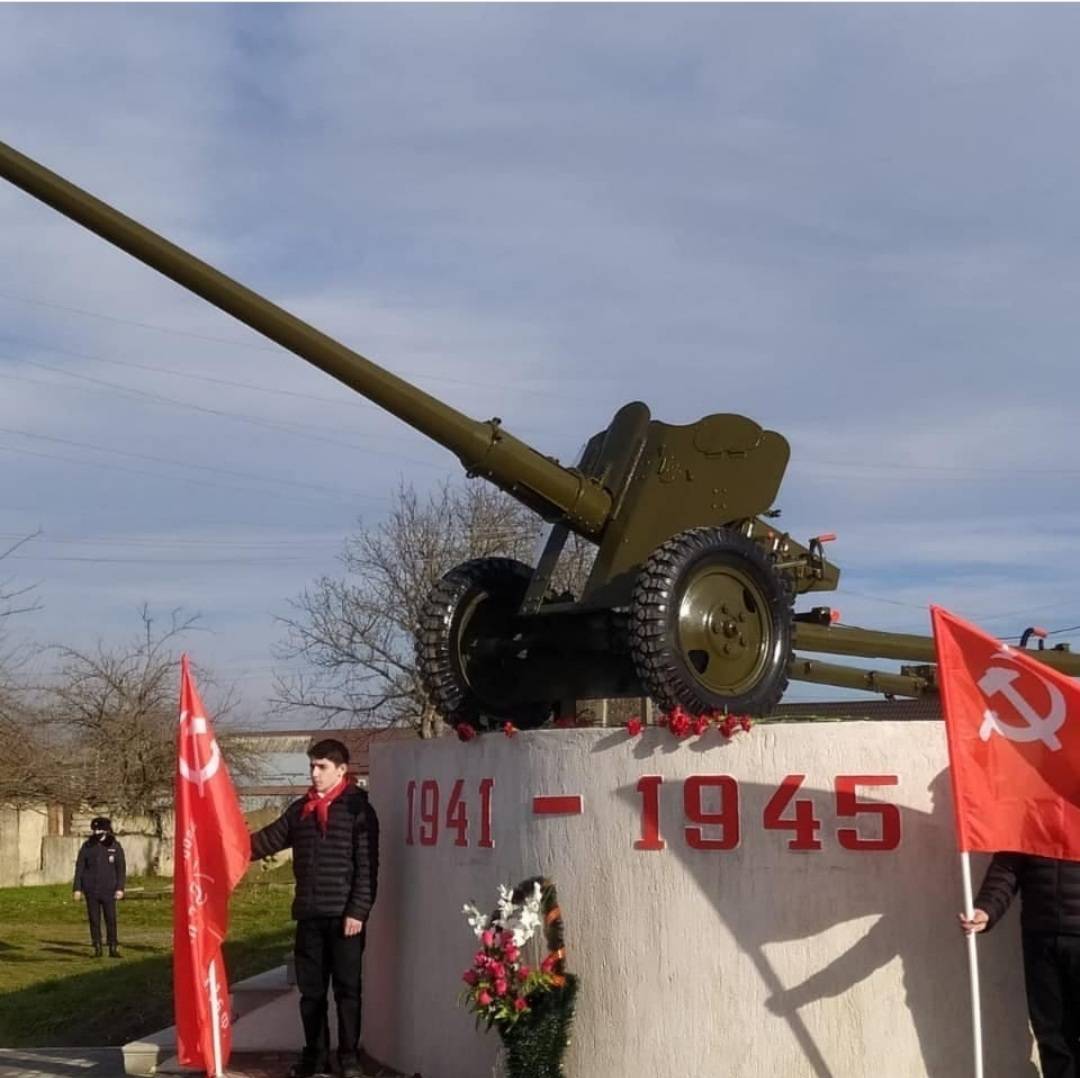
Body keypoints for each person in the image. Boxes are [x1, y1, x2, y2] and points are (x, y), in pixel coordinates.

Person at [250, 738, 379, 1078]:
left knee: (347, 991)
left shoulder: (358, 810)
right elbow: (265, 842)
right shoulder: (300, 810)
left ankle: (349, 1057)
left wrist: (358, 911)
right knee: (312, 993)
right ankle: (316, 1057)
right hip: (309, 915)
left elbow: (367, 867)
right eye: (312, 766)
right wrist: (223, 842)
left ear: (341, 770)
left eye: (322, 767)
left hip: (344, 918)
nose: (315, 773)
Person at [959, 852, 1080, 1078]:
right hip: (1041, 937)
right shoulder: (1029, 826)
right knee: (1052, 1037)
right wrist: (987, 908)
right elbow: (1009, 865)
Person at [72, 816, 126, 958]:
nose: (97, 832)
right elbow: (80, 868)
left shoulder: (114, 846)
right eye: (95, 830)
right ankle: (97, 947)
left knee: (111, 919)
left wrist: (120, 888)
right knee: (94, 920)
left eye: (100, 830)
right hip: (91, 889)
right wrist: (77, 888)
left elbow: (120, 869)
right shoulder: (87, 846)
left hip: (109, 889)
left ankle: (113, 947)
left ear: (106, 830)